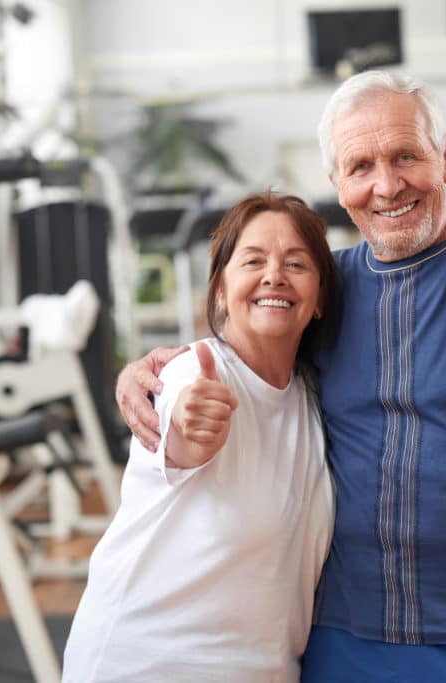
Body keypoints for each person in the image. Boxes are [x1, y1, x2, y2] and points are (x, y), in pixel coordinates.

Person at [117, 70, 446, 682]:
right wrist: (150, 371)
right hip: (346, 631)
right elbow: (244, 339)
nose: (386, 185)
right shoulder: (327, 286)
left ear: (445, 158)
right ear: (337, 185)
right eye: (360, 167)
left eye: (405, 157)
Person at [63, 193, 341, 682]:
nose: (274, 275)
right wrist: (189, 427)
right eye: (253, 261)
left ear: (320, 298)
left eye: (295, 263)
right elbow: (179, 423)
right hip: (144, 663)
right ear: (219, 290)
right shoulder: (190, 372)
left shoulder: (313, 394)